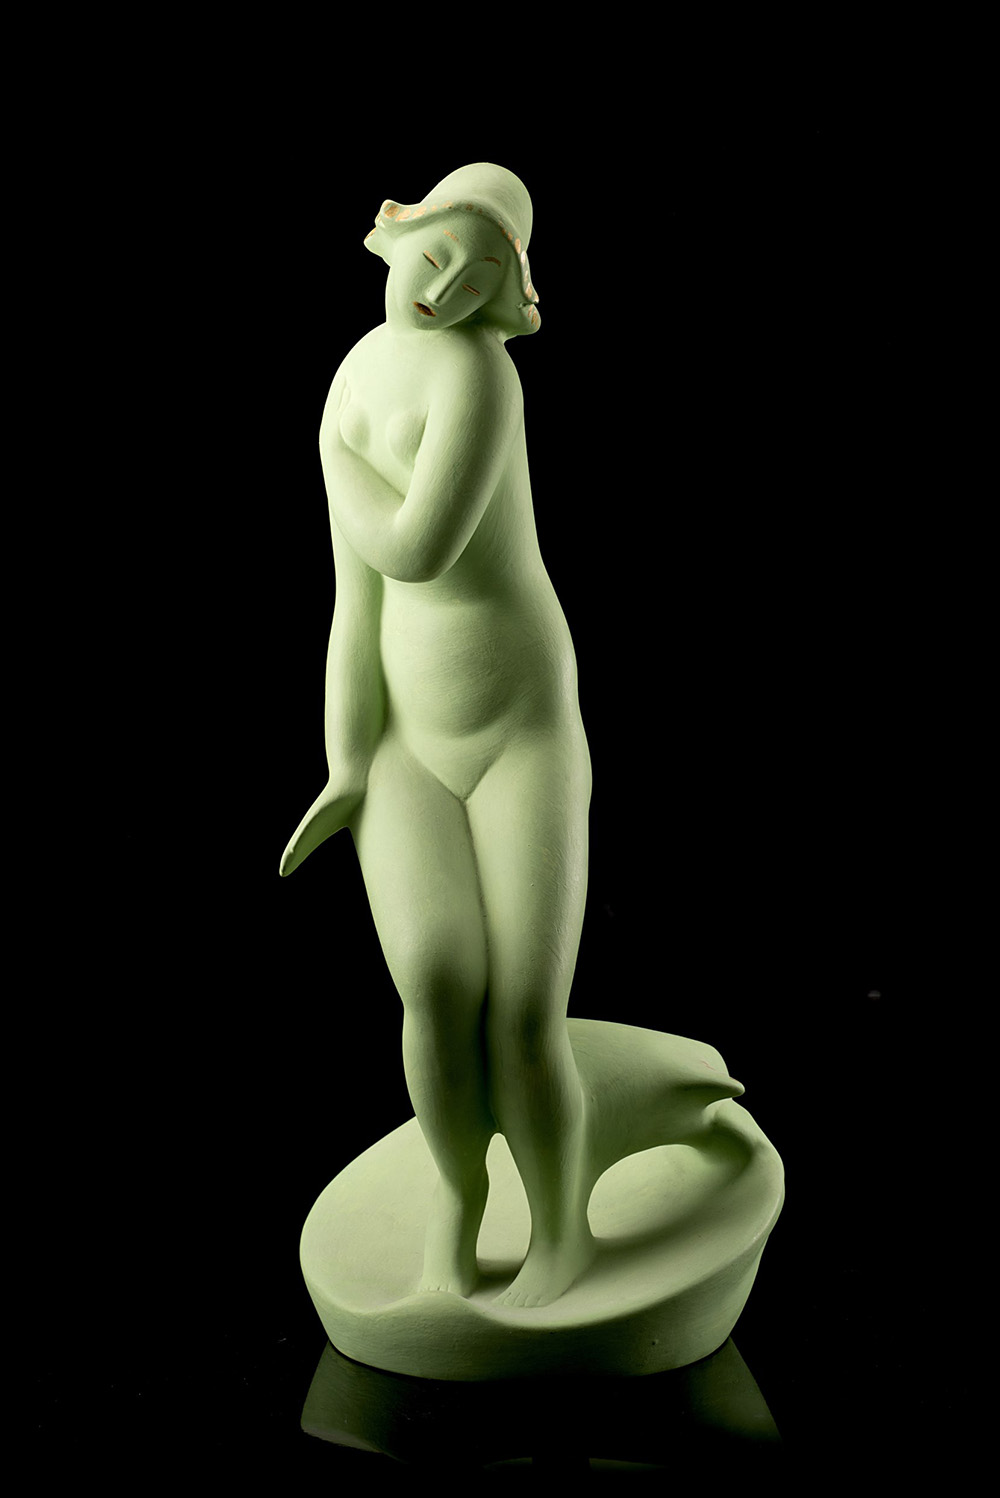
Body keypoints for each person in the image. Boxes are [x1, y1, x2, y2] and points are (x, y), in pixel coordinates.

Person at [281, 164, 594, 1308]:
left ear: (502, 296)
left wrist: (333, 462)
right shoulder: (357, 376)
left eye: (480, 275)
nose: (446, 287)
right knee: (434, 979)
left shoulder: (480, 380)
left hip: (520, 731)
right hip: (408, 741)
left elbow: (416, 549)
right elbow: (353, 601)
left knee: (522, 1009)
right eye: (437, 252)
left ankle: (559, 1228)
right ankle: (459, 1203)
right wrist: (346, 757)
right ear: (396, 236)